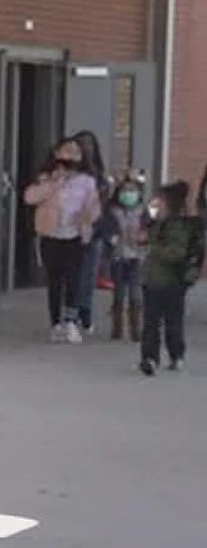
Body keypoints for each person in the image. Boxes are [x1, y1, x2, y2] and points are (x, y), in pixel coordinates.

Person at [23, 138, 102, 344]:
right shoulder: (45, 178)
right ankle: (55, 323)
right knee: (54, 280)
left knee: (74, 278)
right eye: (66, 150)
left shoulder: (86, 181)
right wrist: (54, 183)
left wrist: (87, 216)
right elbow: (30, 198)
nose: (70, 155)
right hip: (51, 234)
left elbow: (94, 206)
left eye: (75, 151)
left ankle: (71, 321)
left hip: (75, 234)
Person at [138, 180, 204, 376]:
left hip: (172, 282)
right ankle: (150, 358)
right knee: (150, 323)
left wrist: (151, 245)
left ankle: (176, 354)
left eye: (160, 201)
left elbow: (175, 253)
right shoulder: (157, 224)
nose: (156, 205)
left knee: (172, 322)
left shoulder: (179, 227)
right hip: (152, 280)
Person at [94, 175, 150, 341]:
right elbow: (102, 228)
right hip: (117, 257)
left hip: (137, 257)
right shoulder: (111, 210)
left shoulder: (143, 211)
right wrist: (112, 237)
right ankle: (117, 328)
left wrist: (145, 237)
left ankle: (135, 329)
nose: (128, 194)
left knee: (135, 294)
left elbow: (151, 231)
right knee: (119, 293)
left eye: (132, 191)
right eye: (125, 191)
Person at [69, 130, 111, 334]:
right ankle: (73, 311)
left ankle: (83, 311)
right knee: (74, 273)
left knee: (88, 273)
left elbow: (104, 203)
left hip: (95, 229)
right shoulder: (69, 173)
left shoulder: (99, 175)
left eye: (89, 145)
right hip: (73, 229)